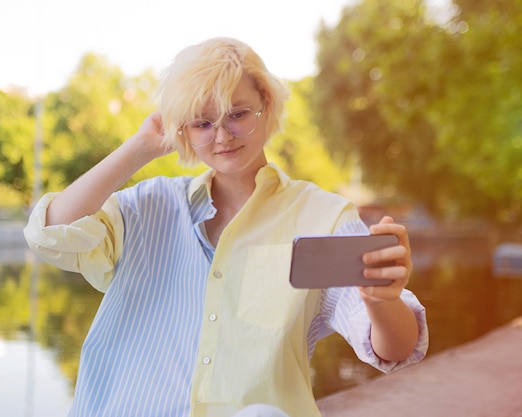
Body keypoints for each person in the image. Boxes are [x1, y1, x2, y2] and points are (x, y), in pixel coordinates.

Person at [24, 37, 428, 417]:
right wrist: (141, 147)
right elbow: (52, 235)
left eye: (237, 114)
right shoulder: (148, 206)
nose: (222, 136)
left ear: (265, 105)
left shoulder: (321, 217)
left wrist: (382, 302)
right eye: (202, 123)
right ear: (180, 128)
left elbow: (396, 349)